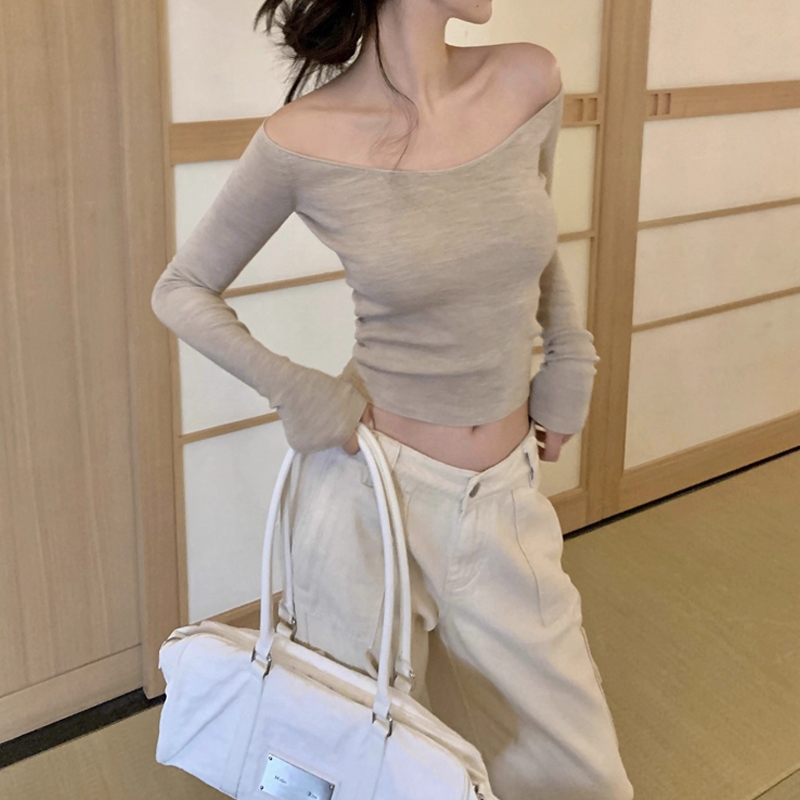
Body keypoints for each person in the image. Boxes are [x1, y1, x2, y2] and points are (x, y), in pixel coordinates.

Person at [151, 1, 634, 797]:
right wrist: (293, 388)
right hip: (365, 493)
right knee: (357, 764)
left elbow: (525, 235)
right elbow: (181, 288)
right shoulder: (302, 138)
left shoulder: (528, 78)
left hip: (502, 492)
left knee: (579, 771)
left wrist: (569, 350)